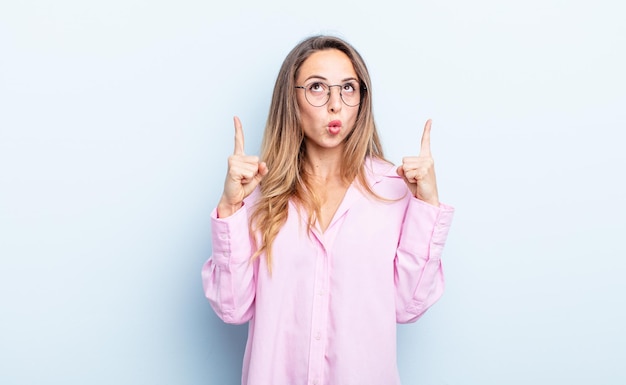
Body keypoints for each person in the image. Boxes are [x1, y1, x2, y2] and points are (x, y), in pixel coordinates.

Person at [202, 35, 454, 385]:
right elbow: (232, 307)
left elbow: (408, 306)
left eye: (348, 88)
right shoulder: (259, 192)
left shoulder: (394, 190)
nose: (336, 104)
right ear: (291, 98)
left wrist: (427, 205)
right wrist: (230, 207)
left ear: (361, 100)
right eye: (318, 87)